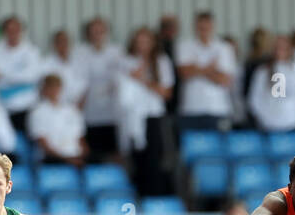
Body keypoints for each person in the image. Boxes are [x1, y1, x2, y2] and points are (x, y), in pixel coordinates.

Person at [118, 27, 175, 196]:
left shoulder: (162, 61)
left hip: (153, 115)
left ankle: (155, 197)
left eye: (146, 42)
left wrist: (143, 79)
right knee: (136, 160)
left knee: (155, 160)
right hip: (133, 118)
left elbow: (166, 92)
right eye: (139, 42)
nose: (142, 46)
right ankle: (138, 195)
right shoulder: (127, 61)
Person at [175, 11, 238, 133]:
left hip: (218, 108)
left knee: (219, 149)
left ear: (212, 26)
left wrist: (197, 69)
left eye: (206, 26)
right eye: (200, 26)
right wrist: (210, 68)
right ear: (195, 26)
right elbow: (184, 73)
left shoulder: (224, 48)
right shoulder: (185, 46)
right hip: (191, 107)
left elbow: (224, 80)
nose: (203, 29)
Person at [75, 17, 125, 163]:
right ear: (88, 34)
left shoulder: (117, 52)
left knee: (115, 153)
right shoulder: (80, 53)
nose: (97, 35)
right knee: (92, 154)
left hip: (112, 112)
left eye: (101, 31)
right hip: (89, 113)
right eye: (94, 31)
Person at [0, 15, 42, 135]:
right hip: (1, 106)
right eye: (9, 30)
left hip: (27, 106)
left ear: (22, 31)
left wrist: (4, 75)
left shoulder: (32, 51)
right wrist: (19, 76)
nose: (12, 33)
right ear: (3, 32)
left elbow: (32, 76)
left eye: (16, 30)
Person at [248, 34, 295, 134]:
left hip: (294, 123)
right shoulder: (262, 71)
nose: (280, 51)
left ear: (290, 50)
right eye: (277, 48)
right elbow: (254, 99)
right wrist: (264, 117)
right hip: (269, 125)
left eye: (283, 48)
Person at [28, 74, 87, 166]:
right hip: (52, 158)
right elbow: (43, 143)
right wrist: (66, 159)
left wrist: (84, 155)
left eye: (56, 86)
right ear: (44, 89)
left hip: (74, 155)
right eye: (50, 87)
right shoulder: (37, 112)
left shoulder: (71, 110)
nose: (54, 90)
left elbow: (80, 138)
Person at [39, 29, 88, 109]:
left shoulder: (78, 62)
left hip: (75, 108)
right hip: (53, 108)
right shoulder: (46, 64)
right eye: (59, 41)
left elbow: (84, 87)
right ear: (54, 44)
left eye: (65, 41)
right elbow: (42, 89)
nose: (63, 44)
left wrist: (79, 107)